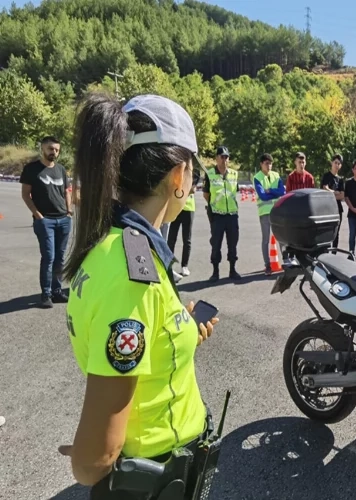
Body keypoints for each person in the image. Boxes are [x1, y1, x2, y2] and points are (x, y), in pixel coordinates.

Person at [58, 93, 219, 496]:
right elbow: (94, 462)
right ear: (178, 177)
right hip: (156, 479)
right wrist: (88, 452)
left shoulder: (112, 245)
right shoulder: (134, 273)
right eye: (192, 174)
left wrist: (179, 323)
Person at [20, 136, 73, 308]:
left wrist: (69, 211)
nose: (54, 152)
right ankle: (46, 294)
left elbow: (66, 191)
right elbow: (25, 195)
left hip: (63, 219)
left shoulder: (61, 169)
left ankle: (57, 292)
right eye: (51, 149)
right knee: (49, 257)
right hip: (45, 221)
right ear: (42, 148)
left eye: (56, 150)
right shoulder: (32, 169)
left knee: (60, 258)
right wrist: (38, 215)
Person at [204, 146, 240, 282]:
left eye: (226, 157)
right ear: (216, 158)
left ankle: (233, 269)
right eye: (222, 157)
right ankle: (215, 271)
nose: (224, 160)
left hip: (232, 214)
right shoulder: (210, 174)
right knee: (216, 243)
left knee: (233, 243)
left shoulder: (234, 174)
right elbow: (206, 194)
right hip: (217, 215)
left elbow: (234, 192)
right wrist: (215, 205)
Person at [254, 153, 286, 275]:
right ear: (261, 164)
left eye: (271, 163)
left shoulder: (276, 176)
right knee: (266, 239)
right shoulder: (257, 177)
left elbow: (282, 191)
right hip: (265, 212)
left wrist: (270, 191)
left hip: (277, 211)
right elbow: (262, 196)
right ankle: (267, 265)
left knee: (281, 238)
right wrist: (274, 193)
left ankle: (286, 261)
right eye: (267, 163)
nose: (269, 166)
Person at [167, 167, 201, 280]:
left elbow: (193, 189)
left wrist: (186, 188)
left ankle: (184, 265)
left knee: (187, 239)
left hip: (188, 208)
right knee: (171, 238)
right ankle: (169, 264)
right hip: (176, 207)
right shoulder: (177, 169)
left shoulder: (194, 172)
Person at [320, 154, 346, 251]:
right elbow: (324, 189)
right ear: (332, 163)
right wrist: (335, 192)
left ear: (340, 166)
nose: (337, 165)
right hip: (326, 209)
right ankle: (325, 251)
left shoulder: (341, 180)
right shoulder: (326, 176)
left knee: (336, 232)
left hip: (337, 209)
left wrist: (331, 192)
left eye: (339, 163)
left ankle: (334, 252)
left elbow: (342, 196)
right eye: (335, 162)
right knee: (326, 231)